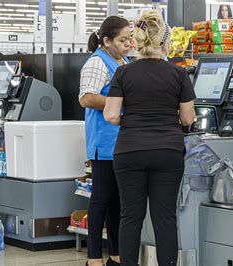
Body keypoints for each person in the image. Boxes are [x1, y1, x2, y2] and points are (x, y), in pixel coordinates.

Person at [104, 10, 196, 266]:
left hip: (129, 150)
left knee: (130, 216)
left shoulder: (123, 73)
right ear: (165, 42)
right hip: (168, 150)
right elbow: (188, 118)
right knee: (164, 217)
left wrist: (132, 120)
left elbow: (111, 115)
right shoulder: (179, 75)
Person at [78, 16, 131, 266]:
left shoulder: (123, 61)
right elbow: (87, 98)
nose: (128, 43)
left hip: (123, 142)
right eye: (123, 39)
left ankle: (116, 255)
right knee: (100, 199)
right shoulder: (97, 63)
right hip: (104, 142)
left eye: (130, 38)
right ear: (107, 40)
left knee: (117, 201)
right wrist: (119, 104)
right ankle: (93, 257)